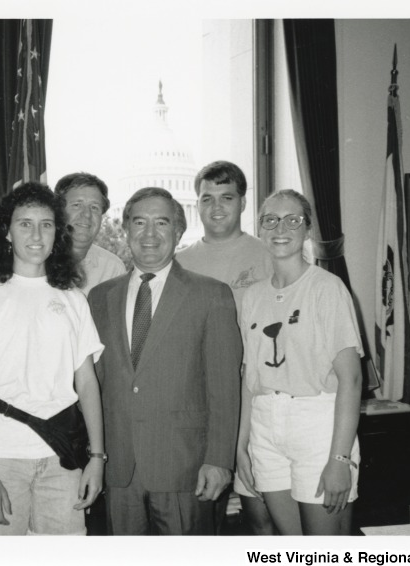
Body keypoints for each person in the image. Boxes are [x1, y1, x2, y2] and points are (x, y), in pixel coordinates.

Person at [0, 183, 105, 535]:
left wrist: (97, 458)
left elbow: (87, 383)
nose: (36, 234)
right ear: (6, 231)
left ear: (57, 233)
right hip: (1, 458)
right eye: (25, 224)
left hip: (62, 459)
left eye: (46, 224)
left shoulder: (72, 299)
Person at [87, 187, 241, 535]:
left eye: (162, 222)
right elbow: (94, 382)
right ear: (126, 230)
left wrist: (219, 460)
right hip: (120, 465)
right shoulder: (99, 298)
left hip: (185, 465)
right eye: (139, 222)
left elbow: (225, 387)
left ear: (178, 231)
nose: (150, 233)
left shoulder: (211, 294)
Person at [237, 189, 362, 536]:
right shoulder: (252, 296)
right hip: (264, 424)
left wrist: (339, 460)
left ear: (307, 229)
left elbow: (351, 380)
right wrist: (241, 446)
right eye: (271, 220)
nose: (281, 228)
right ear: (260, 230)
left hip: (317, 425)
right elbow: (250, 376)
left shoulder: (327, 288)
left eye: (293, 220)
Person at [176, 160, 276, 534]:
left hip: (257, 396)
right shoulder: (181, 263)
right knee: (204, 514)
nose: (216, 207)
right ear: (197, 204)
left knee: (261, 514)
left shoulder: (268, 254)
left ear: (244, 202)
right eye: (207, 198)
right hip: (203, 403)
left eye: (227, 197)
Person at [53, 171, 126, 295]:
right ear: (58, 211)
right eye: (77, 205)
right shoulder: (37, 261)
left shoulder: (112, 269)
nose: (86, 214)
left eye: (94, 207)